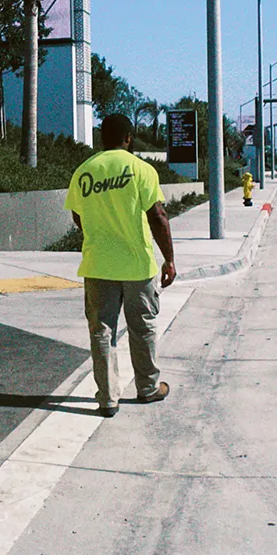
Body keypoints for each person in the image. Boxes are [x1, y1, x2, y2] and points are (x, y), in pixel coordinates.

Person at [64, 114, 176, 418]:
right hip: (137, 265)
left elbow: (77, 215)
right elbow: (158, 216)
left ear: (102, 138)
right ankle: (148, 388)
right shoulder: (141, 169)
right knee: (142, 328)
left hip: (98, 264)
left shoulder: (84, 171)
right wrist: (170, 258)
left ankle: (108, 399)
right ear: (128, 137)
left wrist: (99, 231)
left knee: (102, 332)